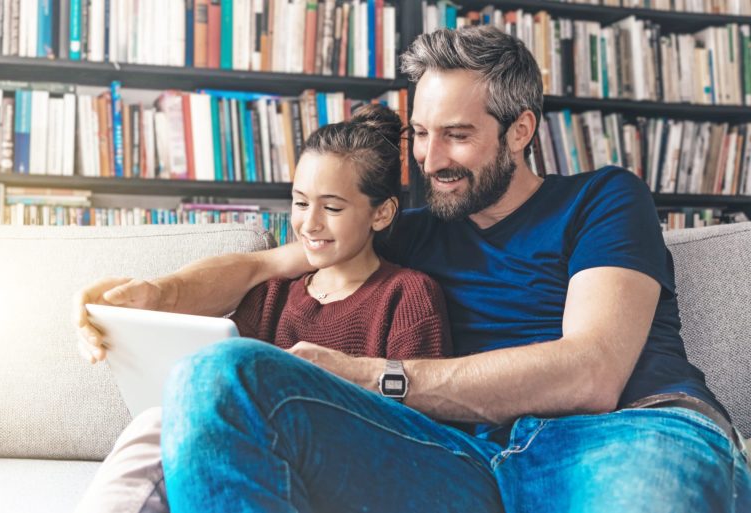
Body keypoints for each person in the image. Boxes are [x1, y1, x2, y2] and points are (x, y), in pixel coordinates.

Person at [75, 26, 751, 513]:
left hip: (626, 431)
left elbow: (593, 371)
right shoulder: (404, 229)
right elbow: (259, 263)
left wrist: (374, 375)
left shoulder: (602, 198)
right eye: (421, 133)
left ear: (519, 131)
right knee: (217, 376)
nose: (430, 158)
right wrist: (155, 292)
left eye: (457, 135)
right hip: (457, 456)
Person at [73, 104, 453, 513]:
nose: (310, 224)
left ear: (381, 213)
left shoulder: (408, 295)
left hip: (350, 469)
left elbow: (421, 435)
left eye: (333, 207)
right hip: (258, 464)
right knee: (167, 424)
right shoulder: (272, 295)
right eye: (301, 203)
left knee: (158, 426)